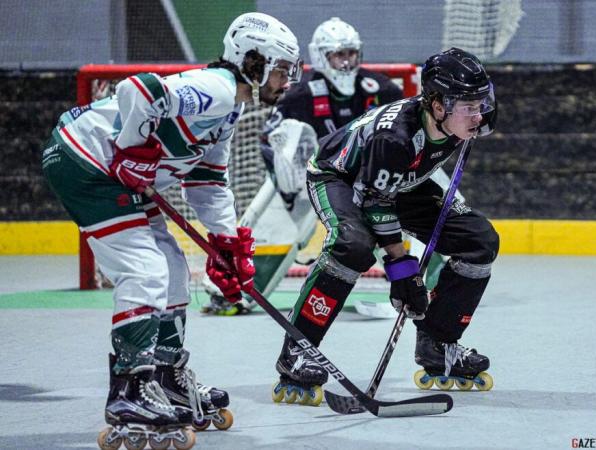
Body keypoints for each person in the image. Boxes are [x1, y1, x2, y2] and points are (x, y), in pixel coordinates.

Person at [42, 12, 301, 445]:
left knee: (173, 268)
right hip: (83, 160)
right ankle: (130, 388)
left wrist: (226, 243)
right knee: (145, 269)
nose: (286, 81)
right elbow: (138, 89)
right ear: (253, 62)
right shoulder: (214, 88)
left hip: (111, 170)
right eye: (280, 70)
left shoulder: (229, 109)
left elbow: (207, 180)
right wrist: (133, 146)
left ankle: (166, 375)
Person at [271, 48, 499, 406]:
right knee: (354, 245)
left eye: (481, 102)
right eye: (469, 106)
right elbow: (375, 201)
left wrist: (476, 111)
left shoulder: (466, 118)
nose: (479, 113)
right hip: (340, 178)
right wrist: (403, 270)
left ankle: (438, 345)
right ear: (438, 107)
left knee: (479, 240)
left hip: (400, 181)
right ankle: (297, 351)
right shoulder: (395, 137)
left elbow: (392, 188)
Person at [202, 17, 404, 315]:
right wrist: (284, 180)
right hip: (318, 181)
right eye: (338, 54)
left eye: (350, 53)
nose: (346, 62)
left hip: (374, 180)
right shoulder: (300, 93)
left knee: (432, 189)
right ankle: (232, 289)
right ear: (322, 56)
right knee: (279, 203)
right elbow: (271, 141)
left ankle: (429, 282)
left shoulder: (381, 89)